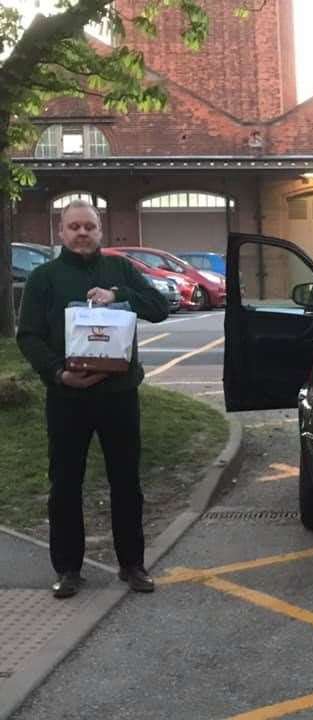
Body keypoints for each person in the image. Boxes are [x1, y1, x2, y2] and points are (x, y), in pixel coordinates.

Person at [16, 199, 169, 598]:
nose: (82, 233)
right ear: (61, 233)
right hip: (67, 397)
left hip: (119, 395)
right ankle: (68, 569)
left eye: (89, 226)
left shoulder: (120, 269)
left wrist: (118, 294)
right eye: (74, 227)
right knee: (65, 483)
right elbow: (27, 335)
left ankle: (132, 564)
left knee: (126, 481)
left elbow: (160, 308)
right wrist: (58, 373)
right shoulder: (44, 278)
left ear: (100, 231)